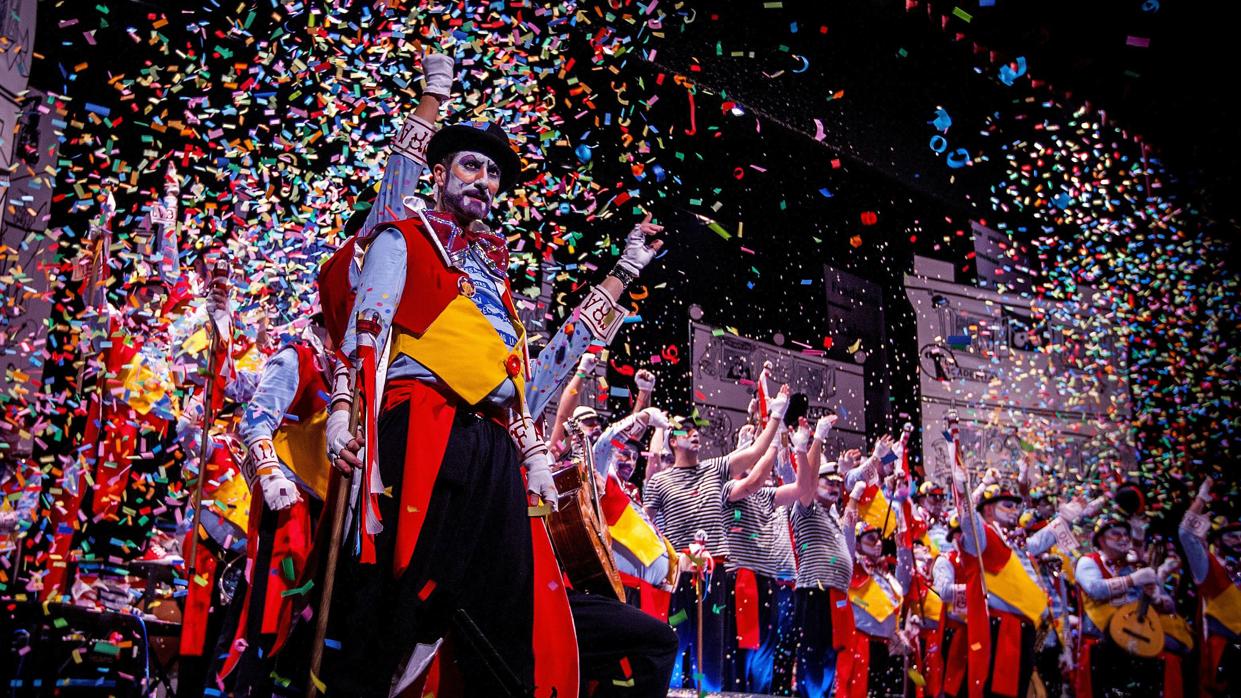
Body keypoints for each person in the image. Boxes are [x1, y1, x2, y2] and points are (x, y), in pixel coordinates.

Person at [321, 103, 666, 694]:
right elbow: (366, 328)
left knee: (501, 620)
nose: (484, 180)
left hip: (497, 454)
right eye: (471, 166)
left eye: (494, 174)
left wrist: (626, 268)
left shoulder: (498, 280)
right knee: (405, 603)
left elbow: (542, 373)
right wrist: (343, 410)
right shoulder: (401, 240)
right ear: (439, 175)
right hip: (425, 436)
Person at [643, 385, 791, 691]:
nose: (695, 433)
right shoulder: (659, 481)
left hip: (715, 572)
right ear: (673, 440)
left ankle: (707, 695)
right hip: (677, 572)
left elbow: (754, 453)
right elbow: (647, 524)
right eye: (686, 430)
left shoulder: (716, 469)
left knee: (710, 647)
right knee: (672, 639)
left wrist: (776, 415)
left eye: (697, 429)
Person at [720, 416, 814, 693]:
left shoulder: (767, 495)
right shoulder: (728, 490)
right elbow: (754, 480)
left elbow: (802, 490)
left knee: (764, 660)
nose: (759, 462)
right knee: (738, 660)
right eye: (753, 456)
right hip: (740, 581)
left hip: (767, 583)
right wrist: (773, 441)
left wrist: (801, 447)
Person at [1075, 514, 1180, 697]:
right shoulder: (1089, 561)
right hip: (1101, 645)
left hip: (1138, 644)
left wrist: (1157, 599)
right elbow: (1095, 589)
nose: (1123, 538)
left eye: (1126, 534)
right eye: (1116, 534)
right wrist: (1132, 580)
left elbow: (1169, 606)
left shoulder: (1138, 565)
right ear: (1101, 539)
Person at [790, 417, 853, 698]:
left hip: (836, 596)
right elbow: (806, 479)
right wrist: (818, 438)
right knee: (813, 658)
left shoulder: (833, 516)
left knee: (831, 657)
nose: (835, 486)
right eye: (828, 481)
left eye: (839, 483)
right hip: (815, 594)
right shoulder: (806, 507)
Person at [1179, 477, 1240, 697]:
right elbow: (1186, 534)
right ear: (1220, 540)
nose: (1239, 541)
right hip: (1228, 654)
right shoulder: (1210, 566)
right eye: (1232, 537)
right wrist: (1202, 496)